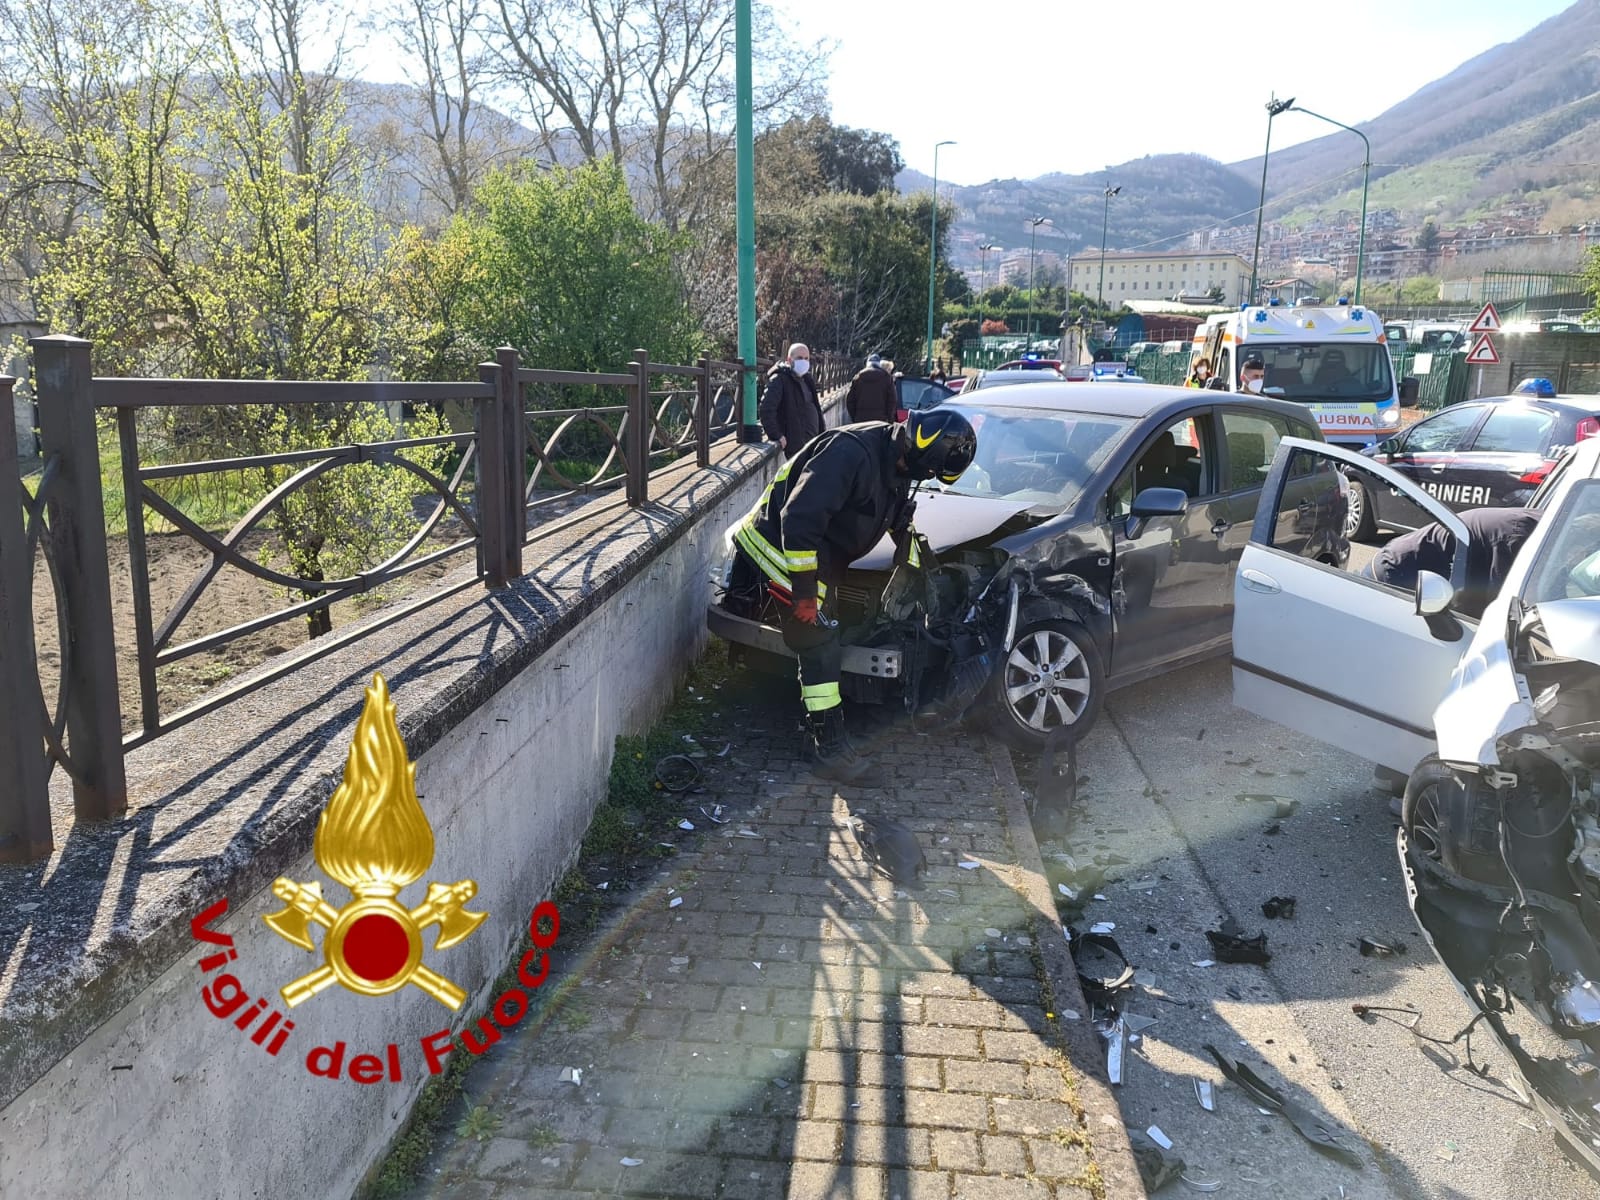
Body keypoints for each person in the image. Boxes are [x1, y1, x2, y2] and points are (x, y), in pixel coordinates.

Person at [725, 409, 979, 785]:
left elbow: (894, 515)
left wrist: (922, 568)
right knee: (820, 645)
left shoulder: (897, 461)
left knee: (834, 632)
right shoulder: (851, 453)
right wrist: (805, 595)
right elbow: (798, 520)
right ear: (922, 455)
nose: (924, 479)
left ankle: (816, 723)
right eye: (928, 472)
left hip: (820, 559)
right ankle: (828, 748)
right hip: (779, 551)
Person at [1359, 506, 1540, 619]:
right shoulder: (1519, 539)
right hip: (1396, 573)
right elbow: (1500, 607)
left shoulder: (1544, 526)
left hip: (1412, 566)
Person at [759, 342, 824, 458]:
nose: (803, 361)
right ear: (789, 360)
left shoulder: (807, 379)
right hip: (796, 447)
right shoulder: (779, 379)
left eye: (806, 358)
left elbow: (816, 408)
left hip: (813, 443)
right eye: (799, 358)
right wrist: (776, 435)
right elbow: (766, 408)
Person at [845, 353, 897, 424]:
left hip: (861, 421)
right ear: (879, 364)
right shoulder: (887, 378)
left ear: (867, 364)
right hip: (880, 421)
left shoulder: (857, 377)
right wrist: (889, 419)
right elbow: (892, 400)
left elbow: (850, 401)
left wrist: (855, 418)